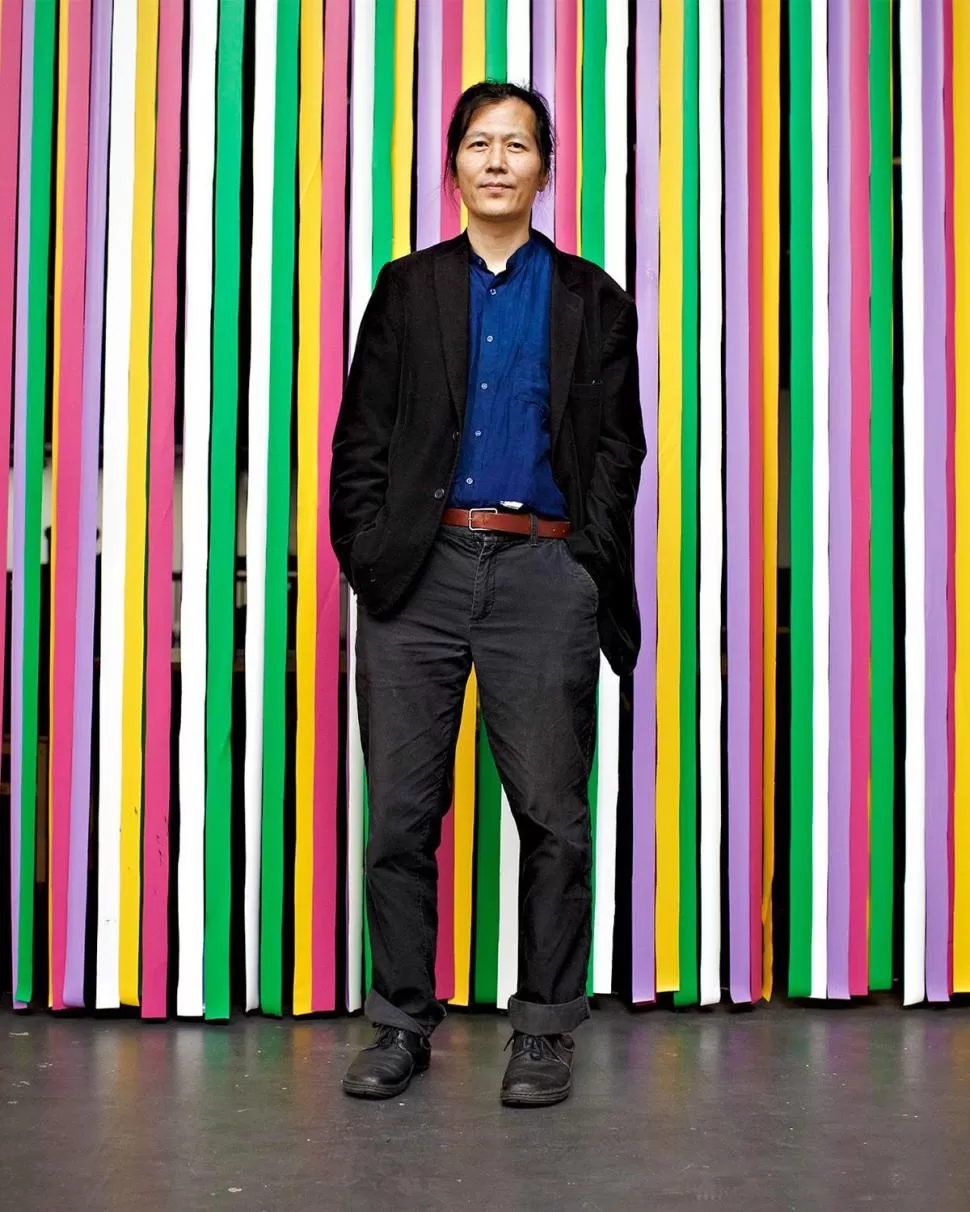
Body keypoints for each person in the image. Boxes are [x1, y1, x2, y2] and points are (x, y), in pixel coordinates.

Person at [330, 81, 645, 1107]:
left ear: (545, 168)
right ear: (453, 165)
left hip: (541, 575)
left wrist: (583, 562)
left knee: (552, 817)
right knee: (399, 818)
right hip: (417, 579)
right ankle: (400, 1024)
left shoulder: (592, 299)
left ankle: (544, 1032)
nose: (497, 160)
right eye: (479, 143)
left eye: (517, 145)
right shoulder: (407, 288)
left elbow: (617, 450)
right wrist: (371, 557)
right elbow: (361, 440)